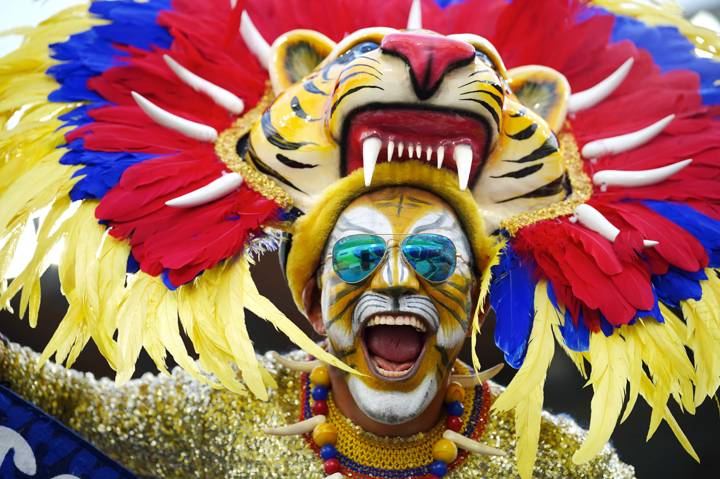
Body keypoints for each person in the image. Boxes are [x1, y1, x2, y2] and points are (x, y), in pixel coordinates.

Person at [0, 0, 718, 478]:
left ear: (473, 301)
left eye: (435, 257)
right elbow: (54, 417)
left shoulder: (557, 463)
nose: (398, 280)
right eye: (359, 256)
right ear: (314, 296)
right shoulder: (223, 408)